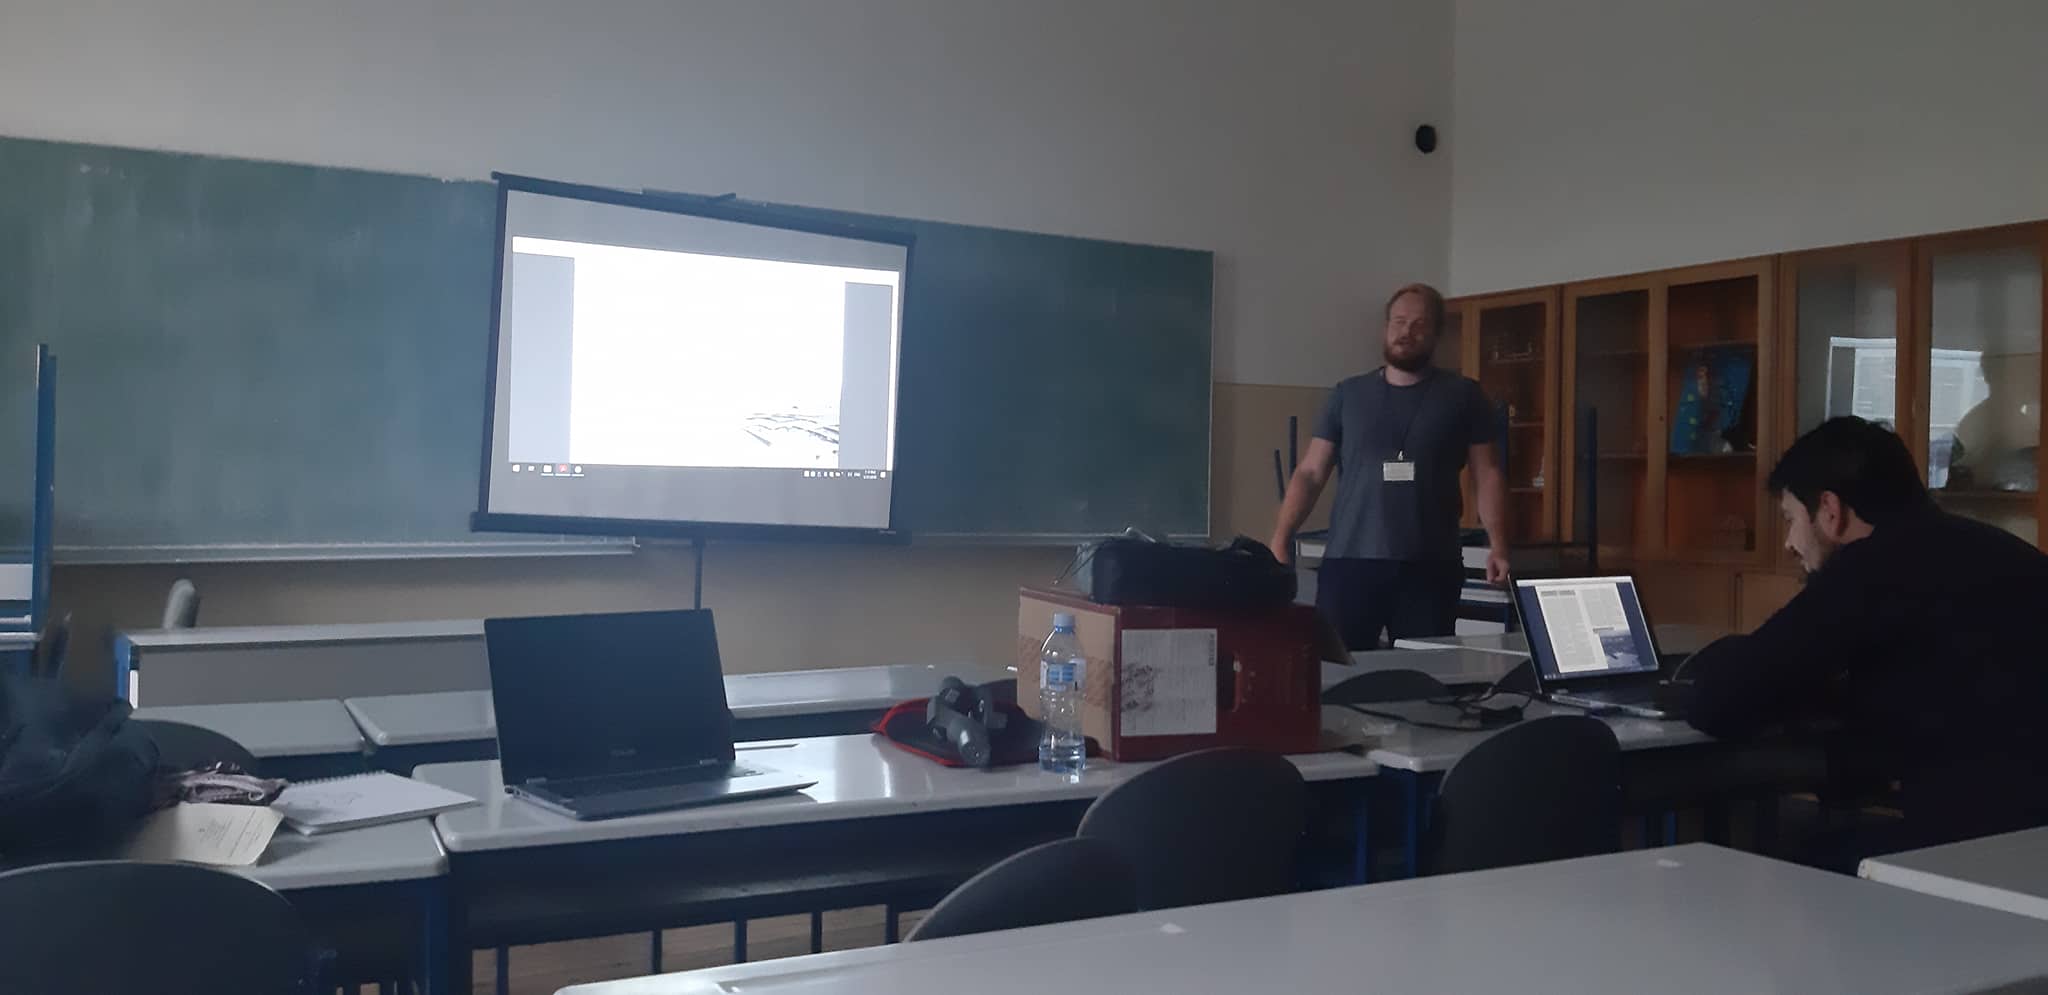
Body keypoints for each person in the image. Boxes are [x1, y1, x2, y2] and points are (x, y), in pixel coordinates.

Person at [1684, 416, 2048, 867]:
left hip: (1980, 847)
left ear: (1830, 511)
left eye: (1791, 519)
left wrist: (1702, 675)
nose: (1789, 543)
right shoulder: (2000, 549)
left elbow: (1721, 701)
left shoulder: (1870, 568)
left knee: (1798, 863)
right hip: (2026, 838)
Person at [1270, 283, 1509, 650]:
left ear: (1436, 333)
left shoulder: (1464, 396)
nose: (1406, 332)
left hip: (1430, 566)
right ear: (1386, 328)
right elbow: (1311, 473)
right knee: (1339, 672)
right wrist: (1281, 537)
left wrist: (1499, 545)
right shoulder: (1347, 394)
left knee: (1426, 674)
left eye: (1418, 324)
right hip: (1351, 564)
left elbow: (1487, 474)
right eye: (1398, 322)